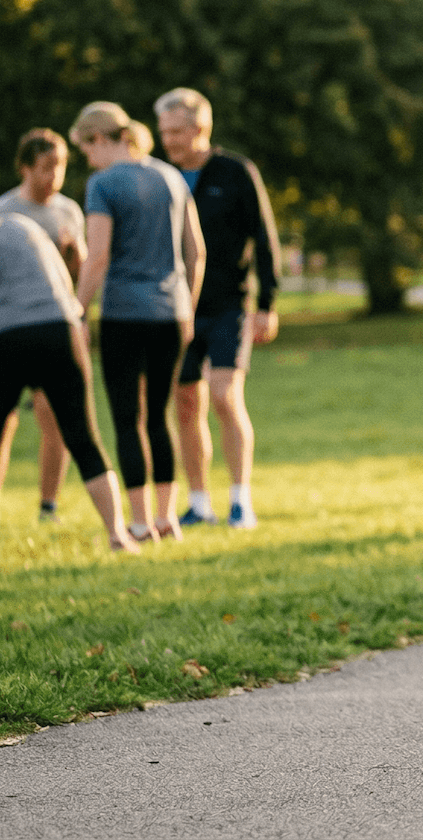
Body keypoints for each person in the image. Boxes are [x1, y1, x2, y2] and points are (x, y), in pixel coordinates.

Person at [0, 204, 140, 561]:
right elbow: (62, 284)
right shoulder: (21, 224)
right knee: (84, 438)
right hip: (63, 331)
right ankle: (118, 535)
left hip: (7, 339)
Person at [72, 102, 205, 543]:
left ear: (101, 139)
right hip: (172, 313)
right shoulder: (171, 176)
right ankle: (167, 519)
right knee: (160, 417)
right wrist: (188, 306)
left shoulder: (103, 184)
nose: (88, 159)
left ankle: (139, 521)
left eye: (86, 149)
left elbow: (98, 258)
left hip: (125, 313)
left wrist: (75, 311)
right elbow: (196, 252)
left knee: (128, 418)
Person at [155, 89, 282, 530]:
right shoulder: (161, 175)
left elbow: (265, 239)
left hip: (230, 305)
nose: (167, 141)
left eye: (175, 132)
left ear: (199, 128)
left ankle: (240, 500)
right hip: (177, 308)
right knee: (186, 403)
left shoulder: (235, 172)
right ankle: (198, 501)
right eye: (163, 132)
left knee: (226, 396)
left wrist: (267, 304)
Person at [0, 128, 87, 524]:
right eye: (45, 167)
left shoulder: (68, 211)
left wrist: (75, 251)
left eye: (59, 166)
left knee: (54, 417)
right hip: (7, 328)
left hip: (52, 329)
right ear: (25, 167)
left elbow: (79, 274)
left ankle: (48, 507)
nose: (53, 176)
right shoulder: (0, 211)